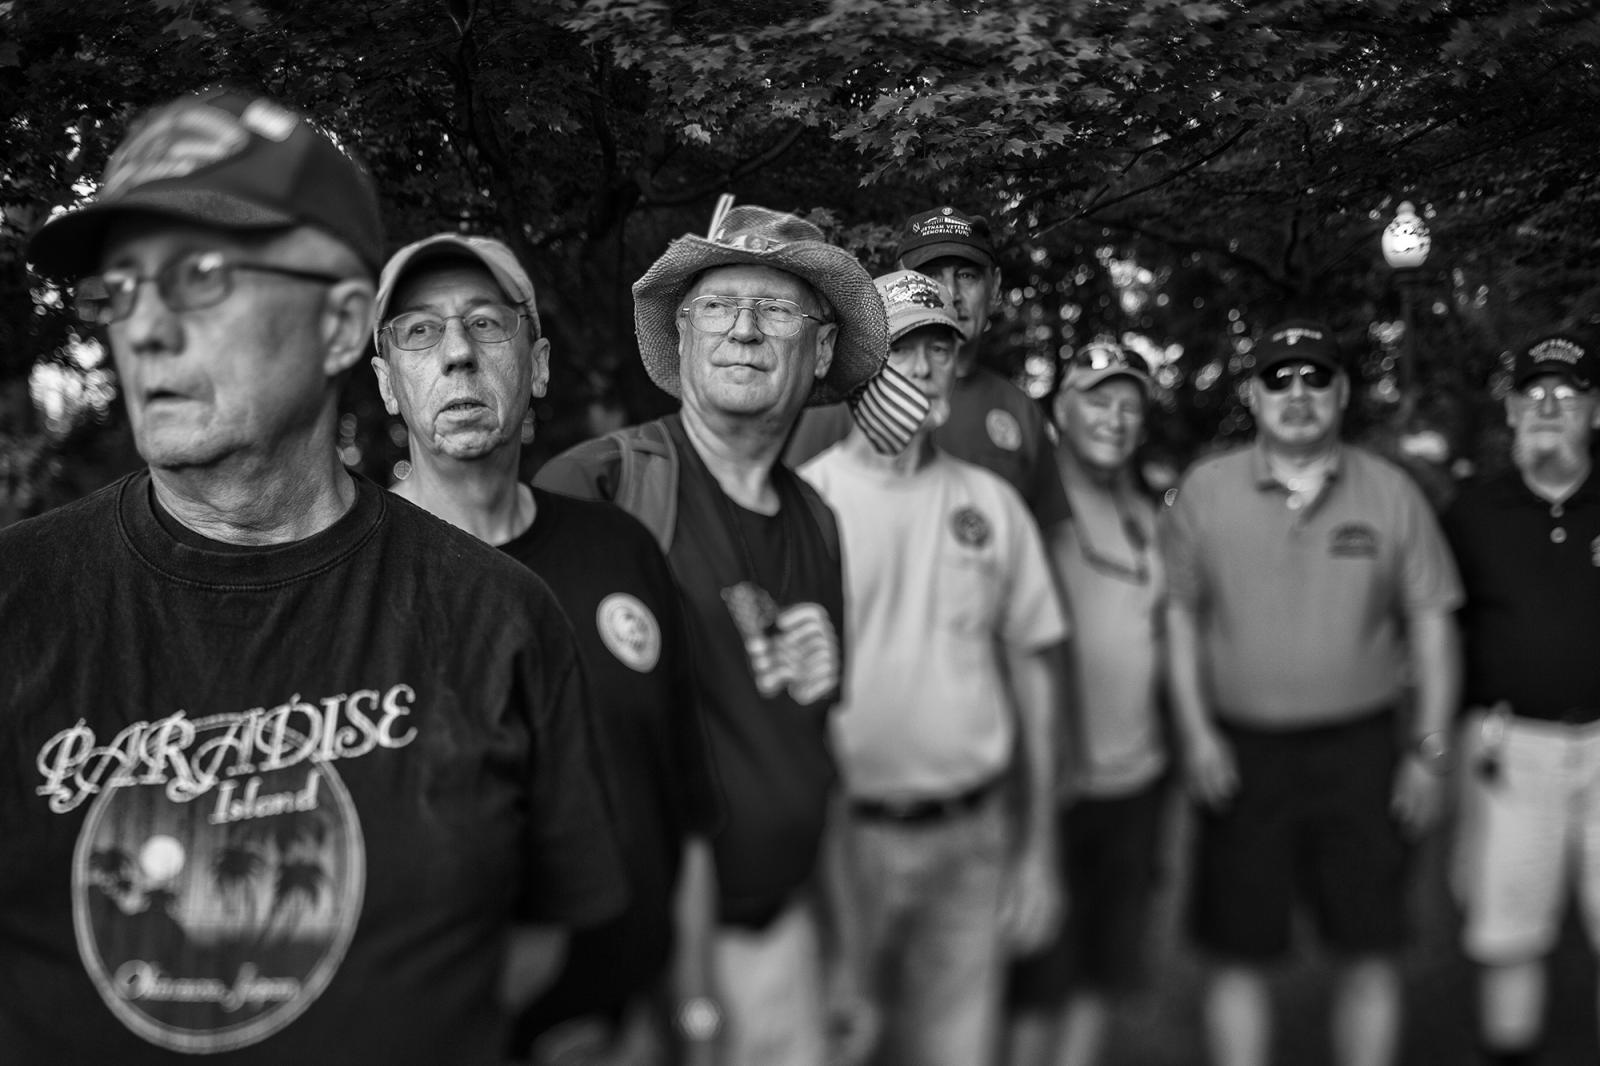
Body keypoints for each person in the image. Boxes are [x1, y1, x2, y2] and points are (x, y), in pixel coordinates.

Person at [1, 88, 624, 1065]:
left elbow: (535, 936)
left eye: (201, 275)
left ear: (340, 328)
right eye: (119, 290)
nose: (145, 329)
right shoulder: (17, 604)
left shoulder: (495, 614)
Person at [535, 200, 889, 1066]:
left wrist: (849, 959)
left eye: (775, 310)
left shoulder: (816, 519)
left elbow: (816, 750)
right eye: (717, 308)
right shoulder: (598, 486)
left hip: (779, 940)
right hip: (633, 971)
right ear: (682, 339)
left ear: (821, 349)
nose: (743, 331)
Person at [368, 233, 722, 1065]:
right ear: (387, 384)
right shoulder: (347, 585)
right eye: (419, 332)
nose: (457, 354)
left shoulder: (620, 552)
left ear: (538, 365)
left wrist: (696, 1007)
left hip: (631, 1033)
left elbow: (686, 805)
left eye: (488, 325)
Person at [1162, 319, 1462, 1066]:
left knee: (1370, 948)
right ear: (1255, 396)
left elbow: (1433, 626)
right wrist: (1196, 734)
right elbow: (1177, 619)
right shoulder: (1205, 490)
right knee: (1238, 952)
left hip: (1360, 751)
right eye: (1279, 378)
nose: (1298, 394)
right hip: (1241, 751)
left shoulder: (1391, 492)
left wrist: (1428, 751)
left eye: (1315, 377)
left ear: (1342, 393)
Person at [800, 270, 1067, 1066]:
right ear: (859, 360)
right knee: (841, 1043)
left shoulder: (994, 504)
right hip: (844, 847)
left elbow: (1034, 675)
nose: (920, 368)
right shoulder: (801, 507)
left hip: (972, 838)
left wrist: (1039, 848)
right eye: (900, 347)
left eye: (938, 349)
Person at [1006, 339, 1169, 1066]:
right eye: (1098, 399)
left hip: (1135, 783)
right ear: (1061, 411)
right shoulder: (1029, 513)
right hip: (1051, 785)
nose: (1115, 417)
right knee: (1036, 980)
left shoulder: (1152, 517)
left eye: (1130, 404)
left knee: (1103, 972)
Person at [1443, 333, 1600, 1066]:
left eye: (1565, 394)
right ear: (1509, 411)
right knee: (1508, 936)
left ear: (1592, 412)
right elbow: (1439, 635)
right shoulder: (1470, 513)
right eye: (1532, 394)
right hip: (1510, 749)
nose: (1546, 406)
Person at [785, 206, 1071, 540]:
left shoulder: (1021, 412)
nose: (951, 293)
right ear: (901, 281)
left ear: (994, 287)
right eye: (932, 275)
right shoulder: (847, 396)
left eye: (967, 276)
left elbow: (1053, 537)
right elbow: (793, 526)